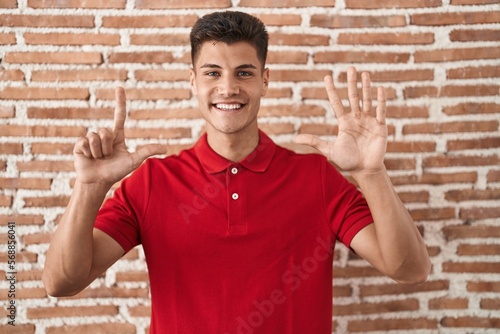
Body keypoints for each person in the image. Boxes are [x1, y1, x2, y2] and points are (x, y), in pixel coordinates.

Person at [43, 11, 431, 334]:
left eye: (244, 73)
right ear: (193, 81)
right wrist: (89, 187)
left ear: (265, 79)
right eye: (212, 73)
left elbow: (410, 270)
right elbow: (61, 282)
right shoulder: (151, 183)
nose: (228, 88)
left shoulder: (316, 178)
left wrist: (372, 173)